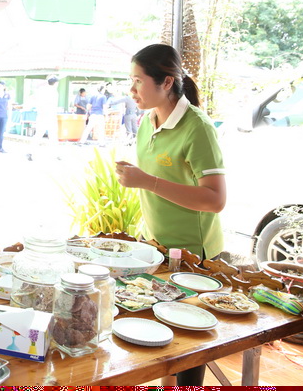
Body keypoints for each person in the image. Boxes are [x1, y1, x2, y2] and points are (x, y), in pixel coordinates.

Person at [115, 43, 226, 387]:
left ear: (166, 82)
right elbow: (163, 180)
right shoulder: (147, 120)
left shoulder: (198, 127)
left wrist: (147, 181)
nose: (131, 90)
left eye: (138, 81)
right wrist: (138, 178)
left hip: (194, 257)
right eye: (131, 80)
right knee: (163, 343)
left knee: (188, 349)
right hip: (157, 248)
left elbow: (215, 199)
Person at [28, 75, 59, 161]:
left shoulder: (42, 90)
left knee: (38, 135)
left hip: (41, 115)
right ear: (56, 83)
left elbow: (36, 92)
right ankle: (56, 154)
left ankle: (30, 152)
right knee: (53, 136)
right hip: (50, 116)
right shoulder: (54, 92)